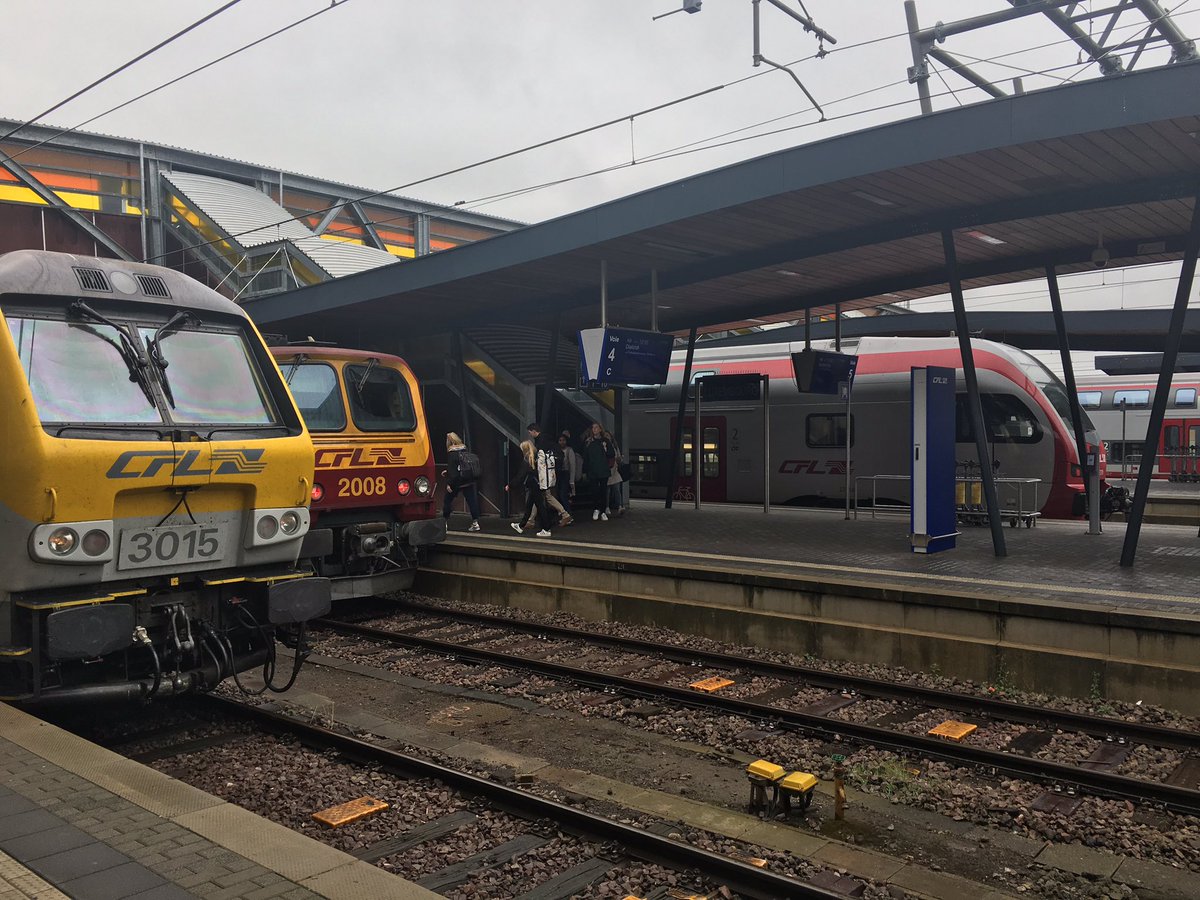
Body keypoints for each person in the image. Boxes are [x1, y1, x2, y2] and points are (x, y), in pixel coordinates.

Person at [526, 421, 572, 527]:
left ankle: (564, 514)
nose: (530, 434)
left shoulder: (541, 441)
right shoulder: (546, 439)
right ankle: (531, 519)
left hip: (544, 472)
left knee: (545, 495)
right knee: (544, 495)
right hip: (550, 470)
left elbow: (541, 457)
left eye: (530, 432)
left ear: (533, 431)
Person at [505, 440, 551, 537]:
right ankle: (521, 525)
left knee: (541, 507)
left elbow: (520, 475)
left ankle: (546, 529)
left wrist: (510, 485)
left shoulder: (527, 459)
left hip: (534, 485)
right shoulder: (537, 456)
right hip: (539, 484)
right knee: (529, 506)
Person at [441, 432, 481, 532]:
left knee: (447, 501)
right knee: (472, 501)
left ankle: (444, 522)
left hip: (457, 482)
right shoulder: (464, 449)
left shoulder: (451, 453)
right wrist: (448, 471)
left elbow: (454, 471)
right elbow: (461, 466)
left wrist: (449, 484)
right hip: (468, 479)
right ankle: (475, 523)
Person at [582, 422, 615, 521]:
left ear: (600, 429)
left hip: (603, 469)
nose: (595, 429)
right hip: (592, 469)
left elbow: (611, 454)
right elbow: (585, 456)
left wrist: (606, 449)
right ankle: (596, 508)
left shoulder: (605, 441)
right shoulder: (589, 442)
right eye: (593, 428)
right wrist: (585, 470)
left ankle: (603, 510)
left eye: (596, 427)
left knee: (603, 490)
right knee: (594, 490)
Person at [557, 430, 579, 516]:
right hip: (558, 474)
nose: (562, 442)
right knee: (559, 494)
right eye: (560, 440)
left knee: (563, 494)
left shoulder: (569, 450)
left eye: (563, 440)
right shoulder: (557, 450)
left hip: (566, 474)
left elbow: (572, 465)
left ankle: (567, 512)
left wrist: (572, 480)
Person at [604, 429, 624, 517]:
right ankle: (606, 507)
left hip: (615, 470)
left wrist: (620, 459)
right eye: (606, 436)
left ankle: (620, 506)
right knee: (607, 491)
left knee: (617, 489)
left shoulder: (615, 447)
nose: (607, 437)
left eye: (608, 436)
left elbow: (619, 458)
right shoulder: (603, 446)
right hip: (606, 471)